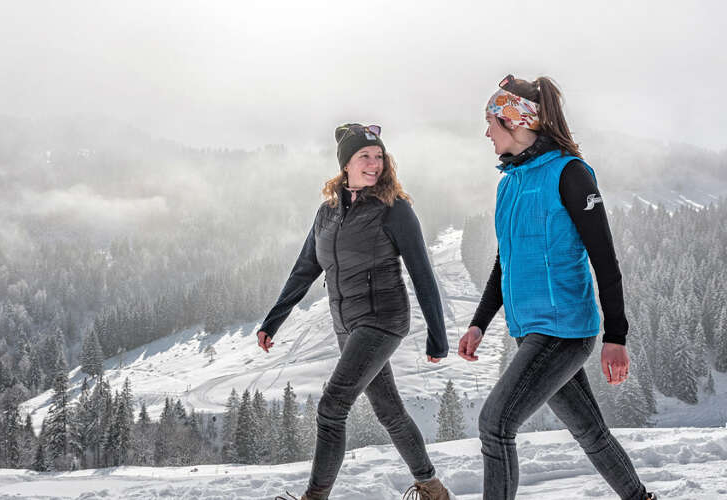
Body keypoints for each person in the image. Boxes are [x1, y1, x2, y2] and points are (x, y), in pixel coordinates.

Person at [457, 75, 656, 500]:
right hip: (531, 329)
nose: (486, 132)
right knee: (590, 431)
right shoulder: (509, 183)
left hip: (564, 329)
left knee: (495, 424)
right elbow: (505, 260)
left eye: (491, 122)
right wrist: (479, 323)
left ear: (516, 123)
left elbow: (604, 257)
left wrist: (615, 336)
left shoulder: (570, 173)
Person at [260, 123, 451, 500]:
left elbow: (421, 272)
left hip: (383, 318)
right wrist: (273, 321)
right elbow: (305, 268)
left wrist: (437, 335)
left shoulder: (394, 209)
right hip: (346, 324)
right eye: (365, 156)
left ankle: (314, 497)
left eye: (379, 156)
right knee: (389, 410)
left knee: (332, 407)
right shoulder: (327, 212)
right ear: (345, 163)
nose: (374, 163)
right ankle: (433, 489)